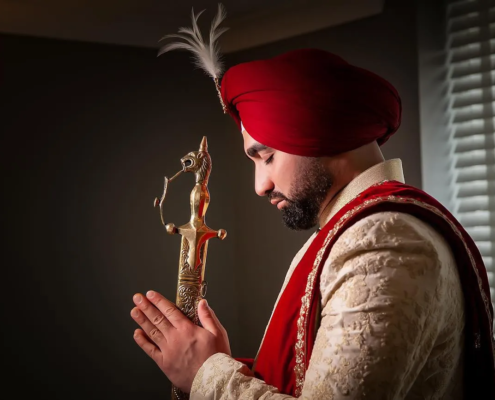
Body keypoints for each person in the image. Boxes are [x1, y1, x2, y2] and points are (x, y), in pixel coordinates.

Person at [130, 48, 495, 399]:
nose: (261, 186)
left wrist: (207, 374)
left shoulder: (383, 239)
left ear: (316, 133)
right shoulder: (355, 230)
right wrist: (220, 366)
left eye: (268, 157)